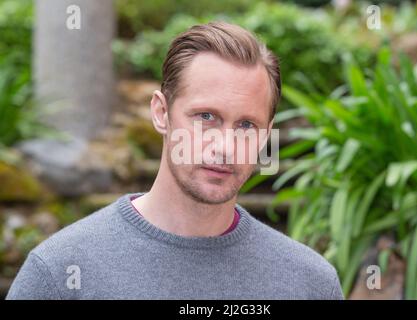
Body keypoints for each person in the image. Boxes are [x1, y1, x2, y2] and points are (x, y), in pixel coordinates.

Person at [7, 21, 343, 300]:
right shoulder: (59, 272)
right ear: (161, 113)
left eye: (246, 125)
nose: (225, 146)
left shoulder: (310, 284)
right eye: (206, 116)